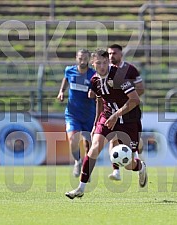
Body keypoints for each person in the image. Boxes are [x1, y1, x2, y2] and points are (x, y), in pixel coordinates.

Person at [65, 49, 148, 199]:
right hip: (107, 116)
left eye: (105, 63)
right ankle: (80, 188)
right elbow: (99, 100)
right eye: (98, 63)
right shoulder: (94, 80)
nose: (102, 66)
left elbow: (135, 100)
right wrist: (95, 123)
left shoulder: (118, 77)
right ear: (93, 63)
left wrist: (116, 115)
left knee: (128, 164)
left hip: (128, 119)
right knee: (94, 148)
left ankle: (140, 166)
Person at [107, 44, 145, 181]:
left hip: (131, 112)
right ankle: (116, 171)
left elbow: (141, 89)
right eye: (109, 53)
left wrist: (128, 95)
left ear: (121, 54)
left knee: (132, 150)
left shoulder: (131, 70)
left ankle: (140, 165)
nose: (112, 56)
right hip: (114, 112)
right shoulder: (107, 71)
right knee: (113, 139)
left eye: (114, 53)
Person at [57, 49, 96, 177]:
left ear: (89, 59)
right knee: (73, 140)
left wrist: (94, 94)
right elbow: (66, 79)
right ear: (76, 58)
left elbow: (99, 91)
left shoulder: (93, 75)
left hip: (89, 115)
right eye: (80, 58)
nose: (82, 61)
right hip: (72, 114)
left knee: (89, 144)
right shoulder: (69, 70)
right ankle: (77, 161)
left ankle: (86, 169)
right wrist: (62, 91)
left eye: (85, 58)